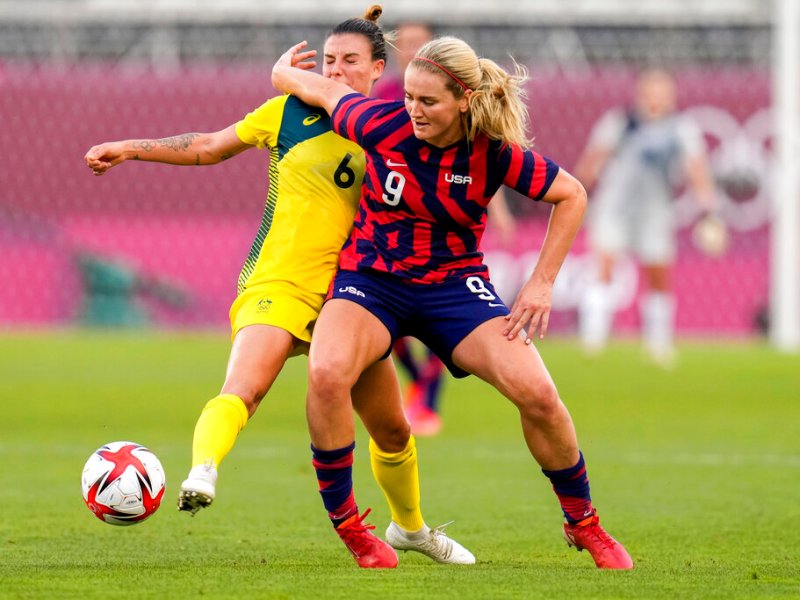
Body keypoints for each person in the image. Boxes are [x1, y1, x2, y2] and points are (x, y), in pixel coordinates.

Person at [84, 7, 473, 569]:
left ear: (378, 69)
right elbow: (210, 146)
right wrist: (130, 146)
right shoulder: (286, 112)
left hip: (352, 296)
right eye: (329, 60)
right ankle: (203, 470)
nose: (336, 72)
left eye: (351, 62)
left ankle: (410, 529)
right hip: (279, 282)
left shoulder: (392, 128)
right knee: (244, 388)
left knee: (392, 427)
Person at [272, 33, 634, 569]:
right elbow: (310, 86)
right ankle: (352, 528)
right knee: (326, 373)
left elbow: (572, 194)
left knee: (538, 393)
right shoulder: (377, 122)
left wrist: (540, 283)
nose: (413, 110)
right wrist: (283, 69)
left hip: (452, 287)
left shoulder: (492, 152)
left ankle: (584, 523)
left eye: (428, 101)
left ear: (464, 100)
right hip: (372, 280)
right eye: (409, 98)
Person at [375, 21, 517, 437]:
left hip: (448, 227)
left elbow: (484, 164)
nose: (411, 50)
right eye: (405, 44)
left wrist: (502, 212)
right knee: (386, 317)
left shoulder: (461, 108)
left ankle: (428, 395)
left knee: (445, 313)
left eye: (420, 43)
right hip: (395, 227)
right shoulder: (388, 98)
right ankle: (417, 381)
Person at [573, 68, 719, 366]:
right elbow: (592, 161)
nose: (656, 98)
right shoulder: (620, 123)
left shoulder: (681, 129)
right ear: (640, 94)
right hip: (616, 208)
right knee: (604, 266)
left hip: (655, 212)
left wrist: (707, 209)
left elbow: (697, 170)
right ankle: (593, 339)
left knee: (658, 274)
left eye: (662, 92)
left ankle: (658, 342)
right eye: (651, 91)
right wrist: (576, 195)